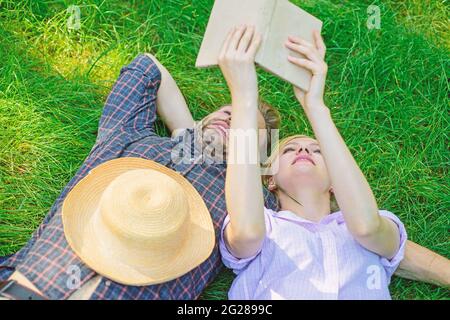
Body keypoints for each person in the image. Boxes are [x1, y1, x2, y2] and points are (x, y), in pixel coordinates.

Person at [0, 25, 448, 300]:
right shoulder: (133, 140)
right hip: (29, 280)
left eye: (245, 126)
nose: (230, 117)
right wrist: (192, 133)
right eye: (224, 113)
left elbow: (375, 238)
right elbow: (146, 67)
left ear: (264, 163)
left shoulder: (255, 200)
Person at [218, 25, 450, 299]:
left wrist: (315, 105)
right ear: (270, 179)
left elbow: (367, 226)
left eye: (318, 151)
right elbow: (245, 232)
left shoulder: (369, 226)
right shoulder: (265, 227)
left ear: (335, 182)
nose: (304, 147)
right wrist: (244, 98)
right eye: (289, 149)